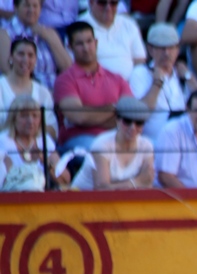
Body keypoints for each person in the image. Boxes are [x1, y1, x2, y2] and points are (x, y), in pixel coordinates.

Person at [53, 21, 133, 153]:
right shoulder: (65, 80)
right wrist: (113, 108)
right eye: (79, 44)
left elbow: (130, 115)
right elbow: (78, 117)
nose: (86, 48)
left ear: (96, 43)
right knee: (101, 150)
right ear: (70, 47)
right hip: (79, 139)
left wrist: (91, 117)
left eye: (89, 41)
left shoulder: (117, 79)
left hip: (115, 138)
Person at [70, 95, 154, 189]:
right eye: (127, 121)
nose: (132, 128)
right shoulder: (102, 144)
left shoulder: (146, 145)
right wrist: (135, 183)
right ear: (117, 120)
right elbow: (101, 189)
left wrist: (138, 183)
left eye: (139, 123)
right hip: (82, 198)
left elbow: (146, 183)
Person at [128, 23, 187, 139]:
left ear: (178, 49)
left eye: (171, 48)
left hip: (182, 140)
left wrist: (189, 77)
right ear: (150, 49)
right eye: (162, 48)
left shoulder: (182, 75)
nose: (167, 53)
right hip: (153, 143)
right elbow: (139, 114)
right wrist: (157, 83)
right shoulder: (140, 73)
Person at [1, 92, 70, 187]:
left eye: (35, 116)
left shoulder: (44, 140)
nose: (30, 121)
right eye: (24, 116)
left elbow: (65, 180)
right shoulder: (3, 142)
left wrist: (45, 161)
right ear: (13, 118)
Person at [0, 0, 70, 90]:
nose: (31, 10)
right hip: (24, 91)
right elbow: (8, 70)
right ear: (16, 7)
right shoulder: (4, 34)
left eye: (35, 6)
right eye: (27, 5)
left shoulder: (49, 32)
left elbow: (68, 68)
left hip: (55, 90)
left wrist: (47, 37)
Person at [1, 37, 57, 141]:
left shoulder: (43, 92)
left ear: (35, 60)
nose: (25, 60)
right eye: (21, 54)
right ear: (11, 58)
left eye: (30, 55)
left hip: (35, 148)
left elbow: (52, 129)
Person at [79, 0, 145, 78]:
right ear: (91, 3)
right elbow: (77, 66)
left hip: (129, 85)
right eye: (102, 3)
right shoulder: (79, 27)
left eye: (113, 3)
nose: (108, 8)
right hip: (95, 84)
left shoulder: (129, 24)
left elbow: (139, 61)